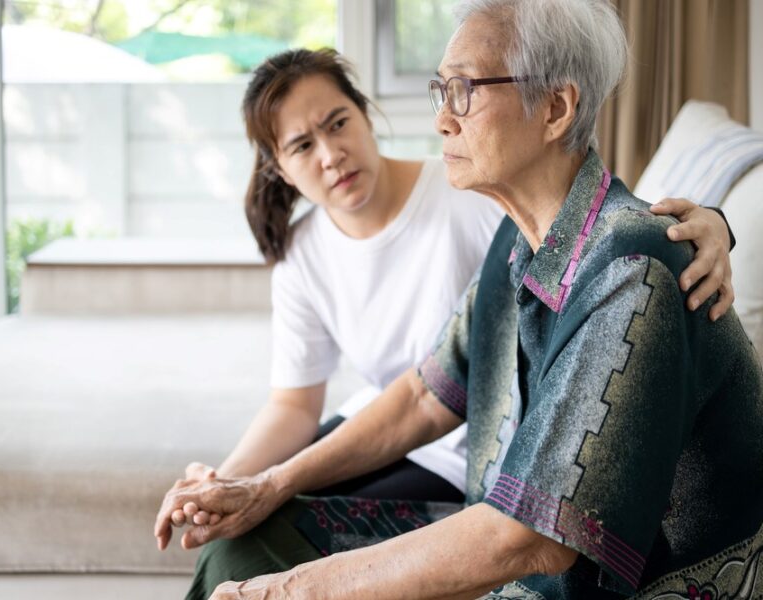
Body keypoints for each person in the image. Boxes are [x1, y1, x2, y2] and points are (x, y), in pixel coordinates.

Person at [154, 7, 761, 596]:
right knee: (244, 541)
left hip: (586, 577)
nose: (442, 119)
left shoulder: (631, 269)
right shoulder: (517, 242)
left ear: (556, 108)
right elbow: (425, 394)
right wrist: (263, 485)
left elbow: (532, 542)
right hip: (500, 525)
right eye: (440, 91)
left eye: (464, 90)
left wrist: (292, 590)